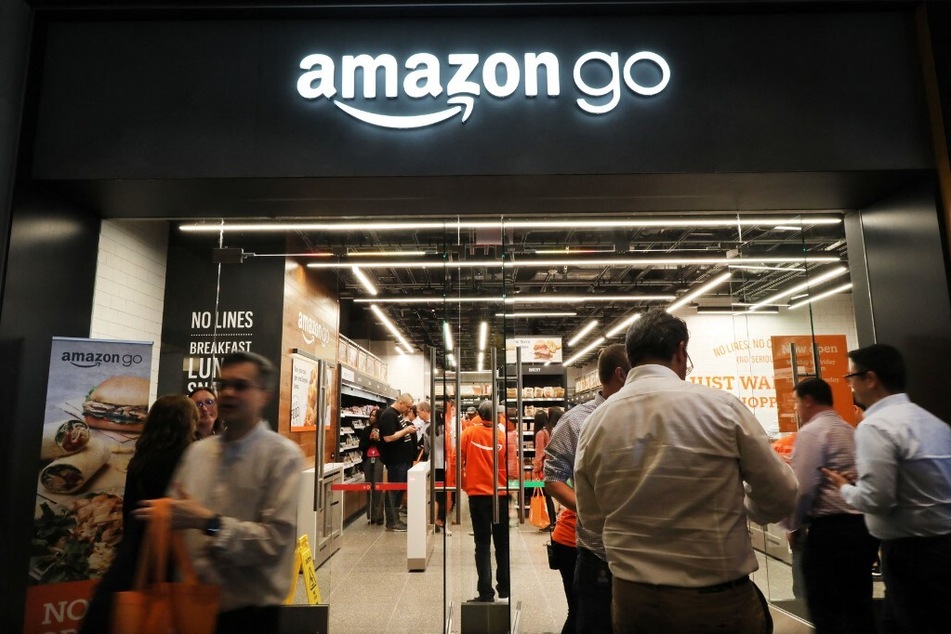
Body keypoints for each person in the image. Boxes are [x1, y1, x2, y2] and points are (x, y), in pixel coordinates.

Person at [575, 308, 797, 633]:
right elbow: (782, 492)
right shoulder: (722, 407)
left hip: (633, 601)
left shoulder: (596, 421)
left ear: (632, 358)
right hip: (716, 600)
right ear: (680, 351)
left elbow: (591, 516)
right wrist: (747, 508)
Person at [134, 351, 304, 634]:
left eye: (240, 386)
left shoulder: (282, 457)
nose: (227, 393)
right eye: (222, 384)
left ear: (264, 395)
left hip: (248, 616)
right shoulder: (197, 453)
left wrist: (209, 523)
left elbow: (274, 542)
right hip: (188, 606)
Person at [823, 343, 951, 634]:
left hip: (911, 554)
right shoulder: (931, 421)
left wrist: (844, 487)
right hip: (942, 547)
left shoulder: (876, 426)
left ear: (870, 378)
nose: (850, 385)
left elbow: (876, 499)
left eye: (851, 377)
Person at [80, 395, 198, 634]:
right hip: (171, 560)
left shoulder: (140, 459)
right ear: (187, 423)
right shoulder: (189, 460)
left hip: (134, 556)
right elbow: (197, 518)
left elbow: (129, 513)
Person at [544, 343, 630, 634]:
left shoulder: (647, 412)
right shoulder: (578, 420)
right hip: (599, 553)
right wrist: (591, 510)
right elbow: (553, 477)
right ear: (621, 374)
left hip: (645, 553)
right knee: (591, 619)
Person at [781, 378, 878, 633]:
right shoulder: (848, 429)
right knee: (858, 606)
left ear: (808, 400)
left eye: (796, 402)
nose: (796, 409)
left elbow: (802, 488)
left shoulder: (812, 432)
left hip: (830, 534)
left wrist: (791, 525)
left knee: (827, 611)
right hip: (861, 528)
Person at [460, 399, 509, 603]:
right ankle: (505, 586)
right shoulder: (501, 436)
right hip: (500, 494)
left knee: (482, 543)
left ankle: (485, 592)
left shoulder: (468, 433)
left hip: (477, 495)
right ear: (496, 415)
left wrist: (464, 484)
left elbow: (458, 459)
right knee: (502, 543)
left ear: (479, 415)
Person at [379, 392, 416, 532]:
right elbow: (388, 437)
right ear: (400, 403)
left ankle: (396, 519)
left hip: (402, 460)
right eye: (407, 406)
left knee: (399, 491)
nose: (408, 409)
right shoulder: (389, 415)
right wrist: (406, 430)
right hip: (396, 460)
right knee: (394, 491)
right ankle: (392, 522)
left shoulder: (397, 415)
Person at [358, 407, 385, 525]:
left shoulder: (383, 430)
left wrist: (378, 439)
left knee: (377, 487)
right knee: (369, 487)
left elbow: (385, 445)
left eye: (374, 415)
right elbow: (361, 446)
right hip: (368, 459)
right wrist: (370, 439)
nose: (372, 417)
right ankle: (371, 516)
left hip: (379, 459)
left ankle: (379, 515)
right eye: (371, 415)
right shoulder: (366, 430)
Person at [531, 411, 556, 531]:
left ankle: (548, 522)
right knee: (548, 495)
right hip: (550, 466)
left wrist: (536, 469)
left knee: (545, 496)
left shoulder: (540, 433)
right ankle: (552, 521)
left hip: (543, 469)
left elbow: (539, 453)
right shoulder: (549, 431)